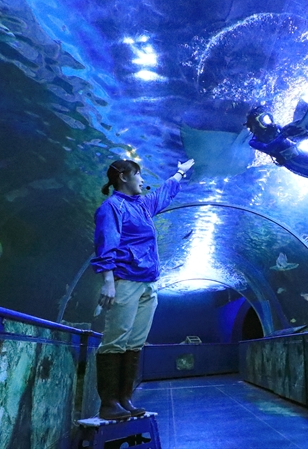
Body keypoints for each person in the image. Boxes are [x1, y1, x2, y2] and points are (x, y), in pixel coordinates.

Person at [91, 157, 194, 420]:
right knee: (116, 339)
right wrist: (108, 282)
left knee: (135, 342)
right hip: (125, 281)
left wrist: (179, 173)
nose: (143, 180)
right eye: (139, 175)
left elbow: (163, 195)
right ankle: (109, 402)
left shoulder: (142, 206)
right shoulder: (112, 207)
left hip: (149, 283)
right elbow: (106, 244)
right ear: (124, 177)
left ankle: (125, 398)